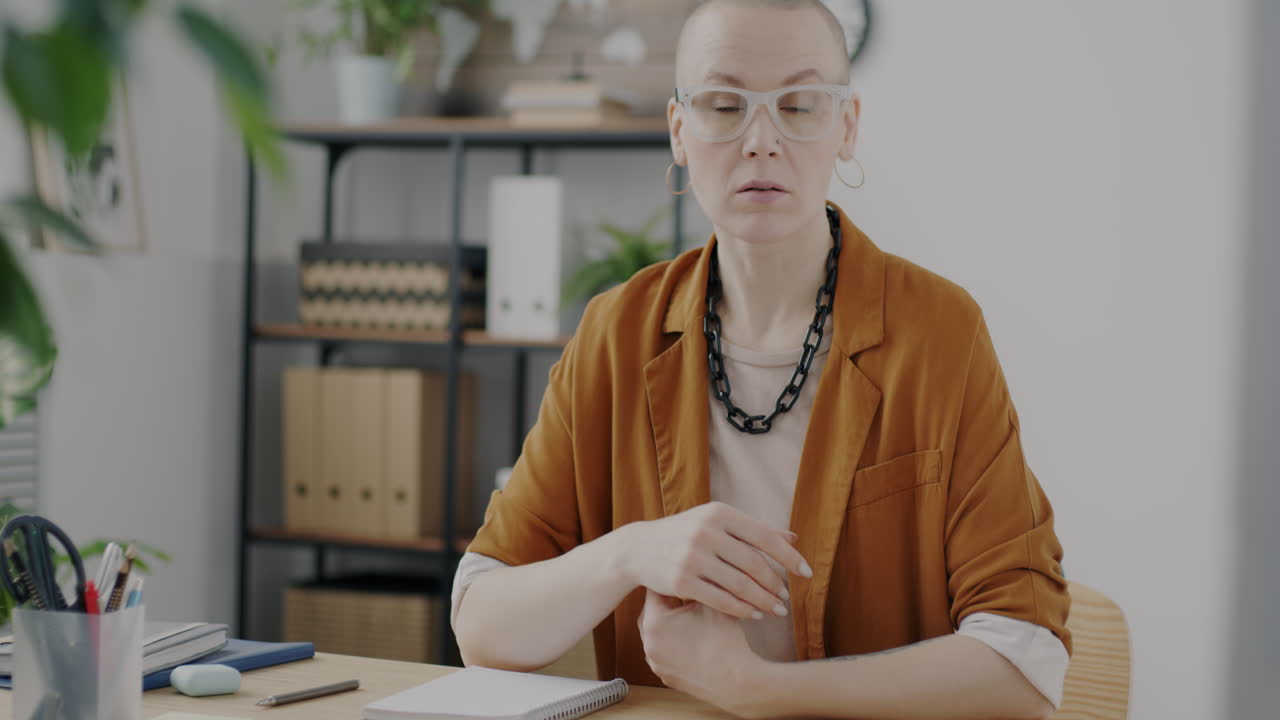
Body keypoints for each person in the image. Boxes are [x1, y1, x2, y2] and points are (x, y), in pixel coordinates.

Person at [452, 1, 1070, 718]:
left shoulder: (940, 333)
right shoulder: (616, 333)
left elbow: (1027, 661)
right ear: (680, 131)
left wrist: (760, 691)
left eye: (800, 105)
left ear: (846, 126)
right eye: (725, 105)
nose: (761, 140)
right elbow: (480, 621)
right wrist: (629, 553)